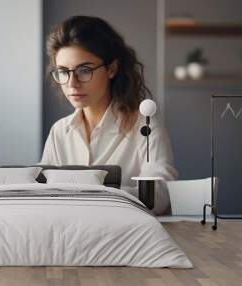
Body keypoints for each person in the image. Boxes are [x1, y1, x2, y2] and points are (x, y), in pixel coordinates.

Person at [40, 15, 178, 215]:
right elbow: (44, 191)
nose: (72, 83)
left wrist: (85, 193)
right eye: (63, 71)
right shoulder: (60, 131)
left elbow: (158, 196)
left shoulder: (144, 126)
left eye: (84, 70)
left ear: (111, 69)